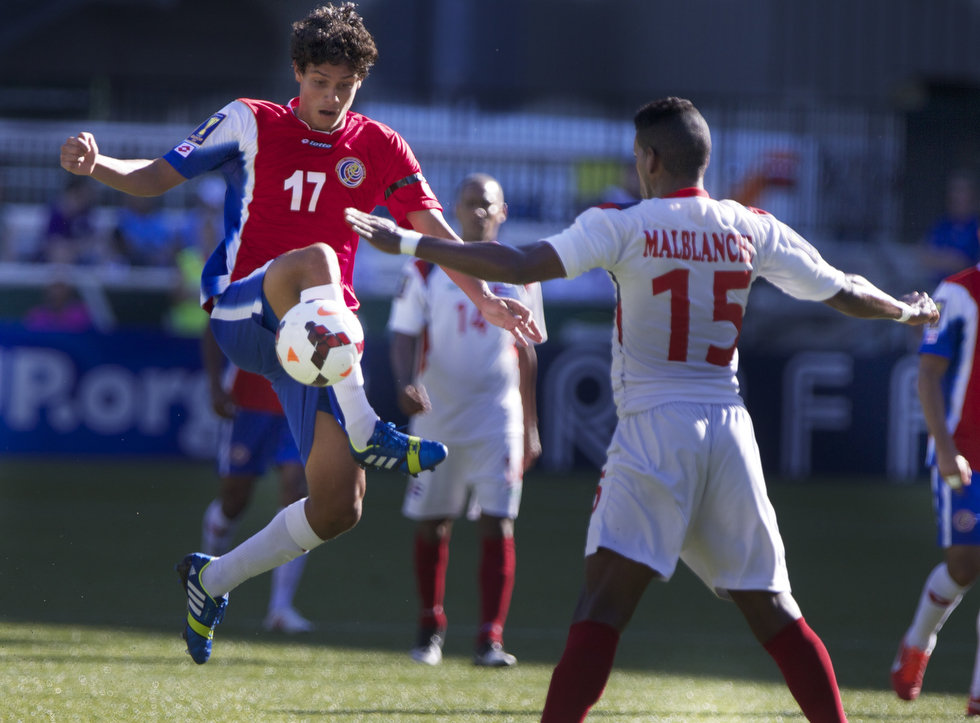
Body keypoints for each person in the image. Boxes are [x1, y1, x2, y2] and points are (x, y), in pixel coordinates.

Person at [345, 96, 940, 722]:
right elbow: (842, 288)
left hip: (656, 427)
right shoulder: (750, 224)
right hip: (730, 427)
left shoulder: (622, 223)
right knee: (772, 608)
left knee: (601, 608)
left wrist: (412, 240)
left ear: (650, 159)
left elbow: (520, 263)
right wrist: (905, 310)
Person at [59, 3, 539, 665]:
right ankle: (371, 427)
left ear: (360, 84)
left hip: (314, 345)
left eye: (344, 85)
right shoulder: (252, 121)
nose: (331, 97)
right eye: (320, 81)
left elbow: (431, 232)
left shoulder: (379, 146)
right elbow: (158, 176)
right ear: (298, 73)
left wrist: (485, 299)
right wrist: (97, 165)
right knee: (318, 259)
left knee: (341, 505)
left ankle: (212, 579)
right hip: (242, 311)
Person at [388, 174, 546, 667]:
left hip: (498, 414)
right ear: (454, 210)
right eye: (470, 204)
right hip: (439, 412)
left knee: (500, 522)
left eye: (487, 205)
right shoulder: (426, 265)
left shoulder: (520, 270)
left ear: (503, 212)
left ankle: (490, 639)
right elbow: (402, 333)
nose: (477, 212)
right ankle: (429, 630)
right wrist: (403, 384)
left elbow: (528, 352)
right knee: (433, 523)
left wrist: (531, 426)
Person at [890, 261, 980, 715]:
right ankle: (917, 642)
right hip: (964, 453)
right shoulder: (960, 291)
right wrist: (944, 449)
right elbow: (928, 374)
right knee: (963, 566)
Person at [201, 327, 314, 634]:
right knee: (235, 499)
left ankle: (280, 608)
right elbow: (215, 325)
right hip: (249, 398)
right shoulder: (242, 277)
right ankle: (207, 584)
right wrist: (214, 385)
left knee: (297, 493)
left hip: (298, 395)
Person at [920, 171, 980, 287]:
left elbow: (966, 265)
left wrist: (943, 259)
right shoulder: (942, 225)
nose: (956, 196)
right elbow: (924, 257)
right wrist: (952, 260)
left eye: (962, 190)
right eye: (954, 190)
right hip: (938, 288)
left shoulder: (976, 227)